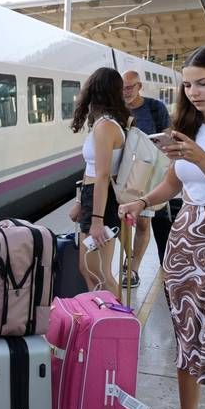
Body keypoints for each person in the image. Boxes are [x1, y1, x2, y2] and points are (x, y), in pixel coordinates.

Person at [119, 43, 205, 409]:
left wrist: (199, 156)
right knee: (187, 336)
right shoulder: (190, 125)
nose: (194, 92)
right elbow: (173, 181)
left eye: (203, 83)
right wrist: (142, 202)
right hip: (186, 240)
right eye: (188, 84)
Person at [68, 67, 127, 294]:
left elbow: (102, 175)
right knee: (87, 269)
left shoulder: (106, 127)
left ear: (95, 91)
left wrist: (97, 220)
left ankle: (119, 323)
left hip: (102, 201)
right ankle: (102, 320)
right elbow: (90, 170)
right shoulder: (104, 123)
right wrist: (80, 202)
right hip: (93, 198)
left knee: (98, 272)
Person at [122, 70, 172, 284]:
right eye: (122, 88)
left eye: (129, 87)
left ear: (139, 86)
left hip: (147, 174)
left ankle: (133, 269)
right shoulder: (116, 108)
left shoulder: (155, 108)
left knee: (142, 223)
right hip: (122, 174)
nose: (125, 92)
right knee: (123, 222)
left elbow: (168, 138)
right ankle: (129, 256)